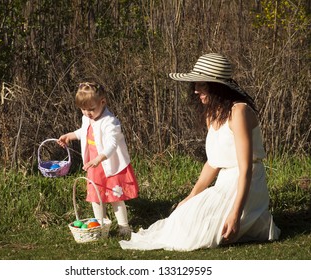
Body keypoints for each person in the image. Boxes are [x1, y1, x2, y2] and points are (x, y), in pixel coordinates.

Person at [119, 53, 280, 251]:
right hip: (225, 182)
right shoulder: (212, 114)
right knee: (182, 217)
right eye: (195, 85)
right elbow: (213, 163)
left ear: (217, 86)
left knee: (197, 235)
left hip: (248, 184)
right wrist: (191, 197)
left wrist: (235, 214)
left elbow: (246, 169)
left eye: (202, 85)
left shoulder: (240, 112)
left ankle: (253, 221)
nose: (196, 90)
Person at [57, 82, 139, 237]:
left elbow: (112, 144)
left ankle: (124, 227)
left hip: (109, 164)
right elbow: (84, 132)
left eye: (91, 109)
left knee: (115, 196)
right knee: (95, 196)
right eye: (83, 109)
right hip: (94, 164)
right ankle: (99, 225)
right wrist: (70, 135)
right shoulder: (87, 118)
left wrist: (100, 158)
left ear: (102, 102)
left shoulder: (110, 121)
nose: (87, 113)